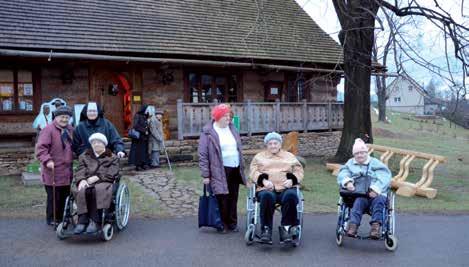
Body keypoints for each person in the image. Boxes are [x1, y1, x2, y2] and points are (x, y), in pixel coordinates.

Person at [198, 104, 246, 233]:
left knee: (233, 196)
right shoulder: (208, 132)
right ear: (218, 117)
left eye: (229, 115)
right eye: (225, 116)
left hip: (235, 167)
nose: (228, 118)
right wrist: (206, 175)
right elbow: (203, 155)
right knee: (222, 197)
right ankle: (222, 224)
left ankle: (232, 223)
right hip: (219, 169)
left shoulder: (232, 128)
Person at [249, 132, 304, 243]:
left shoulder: (289, 156)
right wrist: (263, 181)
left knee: (291, 195)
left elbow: (299, 171)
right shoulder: (259, 157)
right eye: (270, 143)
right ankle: (266, 229)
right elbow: (253, 172)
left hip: (286, 188)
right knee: (267, 196)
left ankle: (286, 228)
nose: (273, 146)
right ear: (266, 145)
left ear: (280, 144)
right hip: (266, 189)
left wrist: (292, 180)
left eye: (276, 143)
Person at [337, 138, 392, 239]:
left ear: (367, 153)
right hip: (360, 193)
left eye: (362, 153)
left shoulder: (375, 163)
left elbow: (385, 176)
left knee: (379, 202)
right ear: (354, 155)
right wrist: (347, 182)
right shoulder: (350, 163)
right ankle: (353, 227)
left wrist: (376, 189)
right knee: (358, 203)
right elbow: (343, 173)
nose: (360, 155)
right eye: (357, 153)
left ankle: (375, 228)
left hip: (377, 194)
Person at [73, 133, 120, 234]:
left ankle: (95, 221)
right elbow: (80, 169)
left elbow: (112, 172)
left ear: (104, 144)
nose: (96, 144)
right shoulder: (85, 156)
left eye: (99, 142)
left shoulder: (112, 157)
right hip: (87, 181)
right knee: (82, 190)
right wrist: (81, 179)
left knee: (97, 190)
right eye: (94, 143)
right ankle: (82, 220)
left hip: (105, 181)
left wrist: (98, 177)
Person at [35, 106, 74, 226]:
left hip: (66, 171)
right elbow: (41, 149)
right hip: (52, 170)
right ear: (56, 117)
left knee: (65, 196)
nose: (64, 119)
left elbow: (74, 146)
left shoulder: (70, 130)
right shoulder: (48, 130)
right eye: (62, 117)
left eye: (67, 117)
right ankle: (52, 219)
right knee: (54, 197)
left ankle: (63, 217)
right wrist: (47, 160)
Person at [128, 105, 150, 171]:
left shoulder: (145, 116)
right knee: (138, 153)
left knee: (143, 152)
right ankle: (138, 166)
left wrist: (147, 131)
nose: (148, 111)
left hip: (144, 138)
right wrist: (144, 131)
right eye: (147, 109)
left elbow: (146, 126)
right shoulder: (138, 115)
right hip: (138, 138)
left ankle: (143, 164)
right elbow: (136, 126)